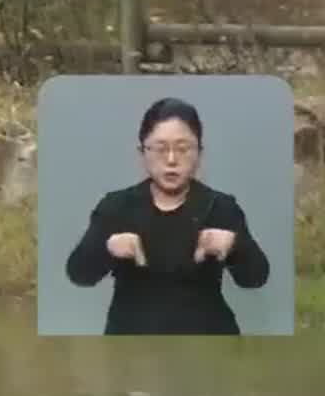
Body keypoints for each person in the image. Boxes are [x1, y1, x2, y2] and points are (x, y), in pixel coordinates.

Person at [65, 97, 271, 335]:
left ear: (199, 154)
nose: (171, 160)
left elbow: (256, 277)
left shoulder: (220, 206)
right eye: (161, 149)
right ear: (142, 152)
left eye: (183, 149)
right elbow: (78, 274)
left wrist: (234, 245)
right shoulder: (116, 206)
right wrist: (107, 248)